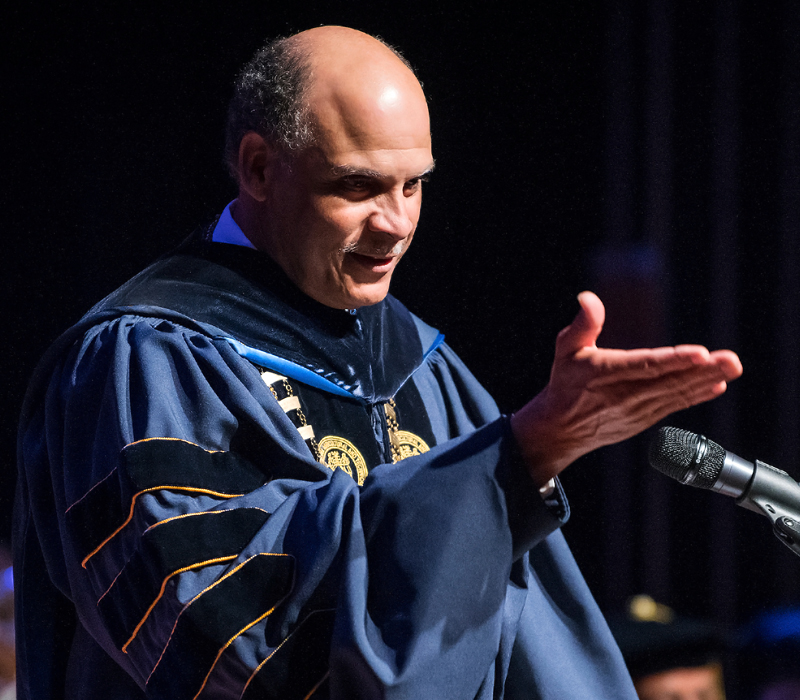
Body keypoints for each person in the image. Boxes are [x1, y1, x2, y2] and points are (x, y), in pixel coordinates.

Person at [13, 26, 742, 700]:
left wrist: (520, 469)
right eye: (357, 186)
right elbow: (221, 637)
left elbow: (520, 635)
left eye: (413, 185)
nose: (394, 224)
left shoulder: (423, 366)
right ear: (260, 168)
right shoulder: (143, 361)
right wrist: (507, 466)